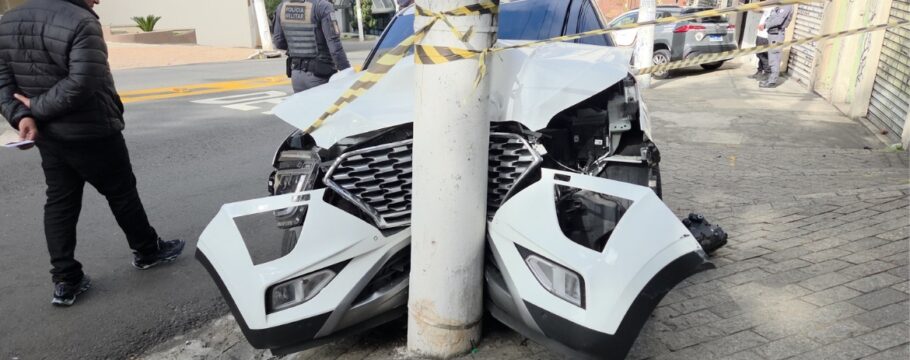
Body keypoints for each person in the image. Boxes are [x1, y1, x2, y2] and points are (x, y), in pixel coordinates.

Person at [0, 0, 185, 307]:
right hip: (93, 130)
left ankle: (65, 279)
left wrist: (23, 117)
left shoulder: (8, 21)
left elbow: (4, 83)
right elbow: (83, 83)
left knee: (60, 203)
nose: (99, 0)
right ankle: (148, 251)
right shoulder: (81, 21)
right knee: (122, 193)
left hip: (49, 136)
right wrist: (34, 109)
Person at [273, 0, 352, 93]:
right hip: (319, 76)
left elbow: (278, 42)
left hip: (296, 75)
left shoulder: (282, 7)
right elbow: (334, 47)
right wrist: (346, 71)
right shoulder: (323, 7)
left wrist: (298, 45)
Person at [757, 4, 793, 88]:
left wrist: (765, 25)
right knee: (772, 57)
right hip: (773, 33)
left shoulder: (787, 5)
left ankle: (772, 81)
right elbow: (772, 16)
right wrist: (765, 23)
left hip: (777, 34)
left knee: (774, 58)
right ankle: (771, 79)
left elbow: (778, 20)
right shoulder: (780, 5)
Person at [749, 6, 772, 81]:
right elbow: (758, 10)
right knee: (760, 54)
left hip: (765, 36)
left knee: (762, 55)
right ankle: (760, 71)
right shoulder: (769, 5)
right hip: (761, 34)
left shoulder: (772, 6)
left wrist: (748, 6)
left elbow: (756, 9)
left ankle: (767, 73)